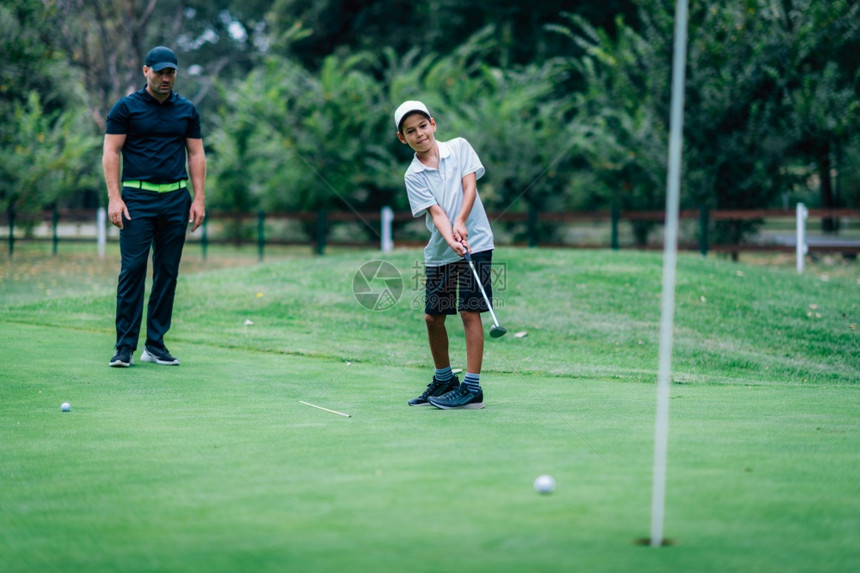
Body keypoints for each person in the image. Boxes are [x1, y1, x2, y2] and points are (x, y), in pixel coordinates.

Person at [103, 46, 206, 367]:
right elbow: (111, 153)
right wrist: (114, 197)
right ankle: (124, 347)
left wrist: (199, 197)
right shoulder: (125, 109)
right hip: (137, 199)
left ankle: (156, 344)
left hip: (176, 198)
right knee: (133, 270)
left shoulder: (186, 110)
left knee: (167, 272)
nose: (165, 77)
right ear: (145, 71)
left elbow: (196, 155)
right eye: (160, 72)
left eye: (171, 72)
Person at [394, 100, 496, 409]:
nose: (419, 134)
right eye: (410, 131)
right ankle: (443, 380)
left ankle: (472, 387)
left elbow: (470, 189)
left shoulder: (460, 147)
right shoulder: (413, 175)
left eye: (422, 126)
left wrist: (461, 221)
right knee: (432, 317)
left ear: (433, 124)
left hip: (476, 242)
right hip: (441, 250)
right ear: (403, 138)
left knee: (469, 311)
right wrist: (450, 235)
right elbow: (437, 214)